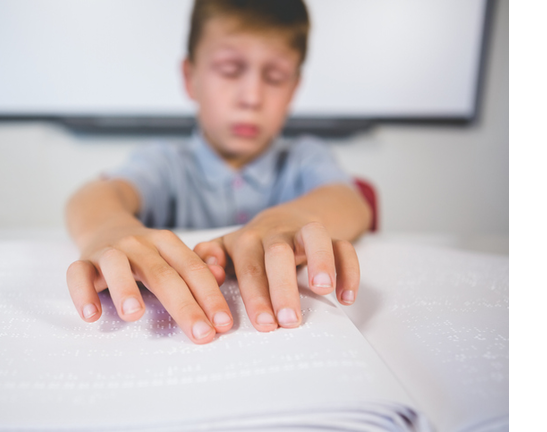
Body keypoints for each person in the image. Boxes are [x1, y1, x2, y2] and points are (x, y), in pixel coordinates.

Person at [65, 0, 372, 344]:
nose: (251, 97)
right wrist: (109, 227)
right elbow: (94, 196)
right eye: (229, 70)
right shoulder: (165, 162)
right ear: (190, 77)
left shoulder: (305, 158)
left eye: (275, 77)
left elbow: (351, 202)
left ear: (294, 90)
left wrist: (291, 218)